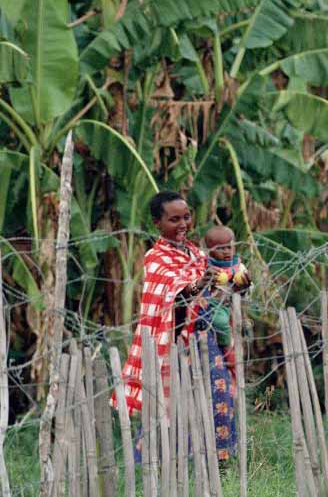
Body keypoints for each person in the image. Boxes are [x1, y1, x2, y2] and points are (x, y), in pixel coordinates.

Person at [118, 191, 238, 461]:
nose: (183, 224)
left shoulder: (195, 252)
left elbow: (225, 282)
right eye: (174, 219)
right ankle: (155, 464)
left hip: (204, 341)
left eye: (186, 217)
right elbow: (176, 296)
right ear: (157, 223)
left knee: (216, 399)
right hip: (173, 345)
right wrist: (202, 283)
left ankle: (218, 462)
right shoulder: (156, 258)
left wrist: (237, 279)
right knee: (167, 408)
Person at [200, 225, 251, 352]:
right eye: (221, 248)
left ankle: (229, 350)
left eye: (229, 247)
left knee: (233, 325)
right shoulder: (204, 266)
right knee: (220, 322)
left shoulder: (238, 267)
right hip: (210, 304)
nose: (226, 251)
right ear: (209, 250)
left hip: (230, 305)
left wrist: (244, 287)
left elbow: (248, 292)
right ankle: (226, 348)